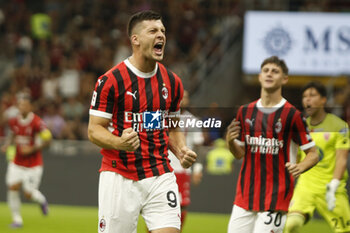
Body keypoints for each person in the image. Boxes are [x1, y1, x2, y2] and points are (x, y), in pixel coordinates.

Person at [87, 10, 197, 233]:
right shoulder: (110, 81)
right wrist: (120, 143)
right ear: (135, 39)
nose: (161, 36)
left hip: (160, 173)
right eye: (153, 31)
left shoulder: (173, 82)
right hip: (120, 175)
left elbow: (172, 126)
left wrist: (181, 149)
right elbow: (94, 130)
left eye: (163, 31)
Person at [226, 56, 319, 233]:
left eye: (275, 71)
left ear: (284, 79)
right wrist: (230, 142)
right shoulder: (245, 111)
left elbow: (313, 154)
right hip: (245, 196)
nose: (269, 74)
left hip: (276, 197)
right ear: (260, 76)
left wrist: (300, 167)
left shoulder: (293, 115)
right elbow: (239, 154)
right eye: (266, 71)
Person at [284, 81, 350, 233]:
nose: (308, 99)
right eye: (305, 96)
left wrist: (334, 184)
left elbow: (342, 158)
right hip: (306, 187)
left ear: (323, 100)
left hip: (330, 188)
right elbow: (298, 159)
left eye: (312, 95)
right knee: (291, 224)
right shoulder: (300, 127)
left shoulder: (339, 126)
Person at [1, 93, 52, 229]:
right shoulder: (14, 121)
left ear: (30, 106)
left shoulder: (37, 122)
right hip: (17, 162)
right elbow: (13, 133)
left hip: (33, 164)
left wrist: (32, 149)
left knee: (28, 193)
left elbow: (48, 141)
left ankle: (42, 201)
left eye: (24, 105)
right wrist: (7, 144)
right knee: (12, 187)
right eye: (20, 105)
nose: (21, 107)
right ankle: (17, 220)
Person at [167, 90, 204, 232]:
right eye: (180, 97)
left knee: (182, 205)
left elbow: (198, 146)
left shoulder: (193, 120)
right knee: (157, 204)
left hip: (182, 169)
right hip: (163, 167)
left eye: (186, 98)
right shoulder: (163, 117)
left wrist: (198, 169)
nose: (183, 100)